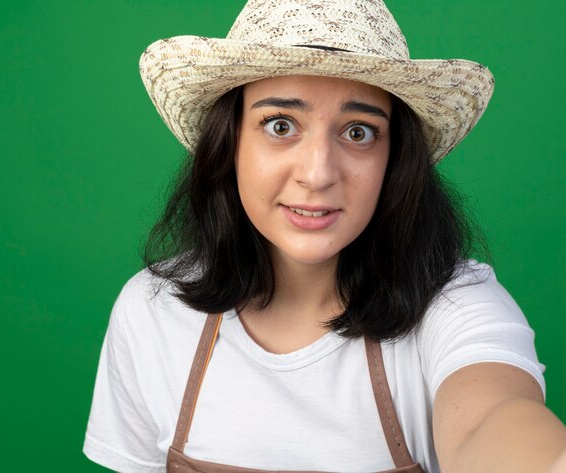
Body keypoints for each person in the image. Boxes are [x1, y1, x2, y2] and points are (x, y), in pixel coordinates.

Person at [83, 1, 566, 472]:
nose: (317, 174)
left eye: (358, 132)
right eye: (280, 125)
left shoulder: (455, 306)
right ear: (229, 143)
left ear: (394, 159)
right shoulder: (152, 310)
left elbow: (490, 420)